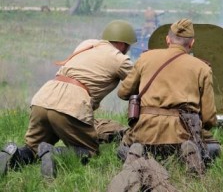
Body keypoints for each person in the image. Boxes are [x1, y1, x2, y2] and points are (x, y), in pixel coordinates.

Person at [0, 20, 136, 179]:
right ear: (122, 44)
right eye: (128, 46)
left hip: (44, 97)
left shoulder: (87, 44)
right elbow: (138, 84)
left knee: (33, 149)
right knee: (90, 152)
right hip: (71, 103)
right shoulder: (120, 60)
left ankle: (13, 153)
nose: (127, 50)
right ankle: (54, 153)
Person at [117, 18, 220, 175]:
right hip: (182, 132)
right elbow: (209, 118)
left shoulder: (145, 58)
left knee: (122, 148)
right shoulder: (202, 68)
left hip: (145, 129)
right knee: (213, 149)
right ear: (191, 43)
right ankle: (187, 150)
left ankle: (138, 151)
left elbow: (123, 93)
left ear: (167, 39)